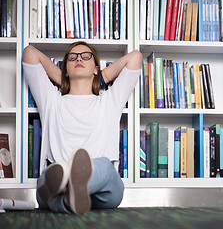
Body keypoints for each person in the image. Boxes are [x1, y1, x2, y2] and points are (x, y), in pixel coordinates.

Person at [22, 41, 142, 214]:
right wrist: (64, 78)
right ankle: (71, 195)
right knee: (46, 181)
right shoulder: (52, 100)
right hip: (57, 185)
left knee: (105, 167)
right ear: (66, 69)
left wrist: (98, 78)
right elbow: (29, 53)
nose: (79, 58)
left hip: (103, 190)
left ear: (95, 68)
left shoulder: (109, 101)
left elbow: (135, 57)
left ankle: (72, 187)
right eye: (72, 58)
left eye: (86, 56)